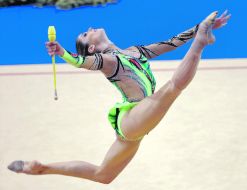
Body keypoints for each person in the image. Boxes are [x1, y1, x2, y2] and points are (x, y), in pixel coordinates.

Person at [8, 10, 230, 184]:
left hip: (134, 125)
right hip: (133, 116)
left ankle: (41, 168)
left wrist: (199, 26)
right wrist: (62, 52)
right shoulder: (107, 60)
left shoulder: (134, 52)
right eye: (85, 34)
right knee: (173, 87)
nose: (89, 28)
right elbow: (83, 62)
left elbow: (170, 43)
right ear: (93, 47)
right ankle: (200, 44)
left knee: (103, 175)